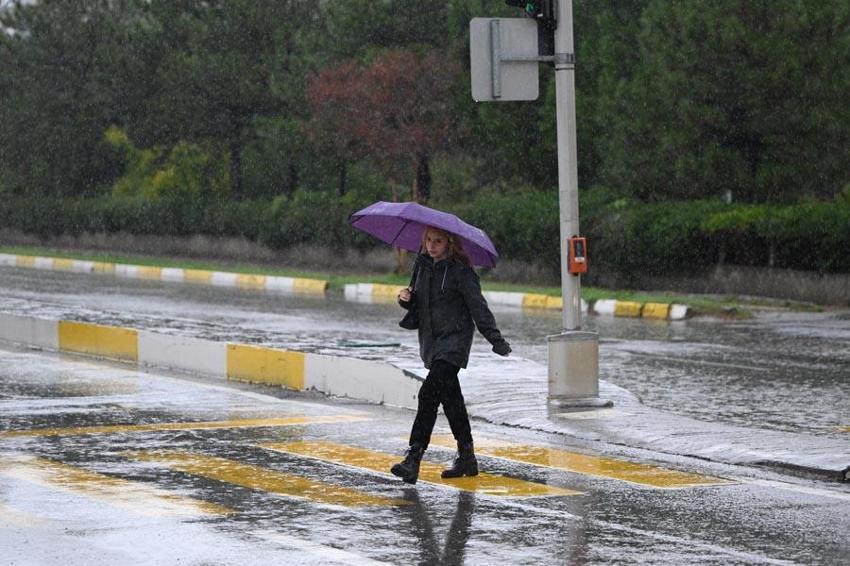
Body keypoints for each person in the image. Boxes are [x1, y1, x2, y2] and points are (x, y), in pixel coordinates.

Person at [391, 226, 511, 484]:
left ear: (449, 243)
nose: (432, 246)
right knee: (451, 398)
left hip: (454, 344)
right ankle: (467, 456)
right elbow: (420, 303)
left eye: (438, 241)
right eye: (428, 240)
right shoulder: (422, 267)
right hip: (432, 344)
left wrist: (495, 339)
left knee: (428, 394)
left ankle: (414, 457)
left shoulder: (461, 272)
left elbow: (479, 309)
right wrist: (406, 299)